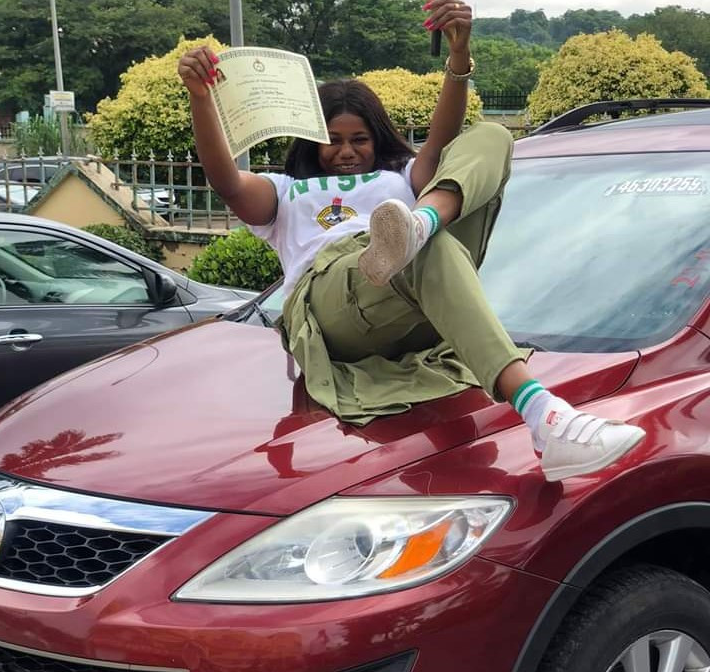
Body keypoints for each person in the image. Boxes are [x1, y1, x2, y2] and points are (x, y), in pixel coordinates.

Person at [177, 0, 645, 482]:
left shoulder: (400, 176)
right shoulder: (284, 192)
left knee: (490, 138)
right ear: (313, 142)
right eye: (333, 139)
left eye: (358, 138)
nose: (345, 151)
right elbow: (227, 183)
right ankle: (545, 414)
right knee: (425, 248)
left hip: (406, 281)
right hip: (332, 301)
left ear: (377, 138)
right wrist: (200, 98)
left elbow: (443, 139)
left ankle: (420, 225)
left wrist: (459, 58)